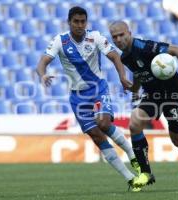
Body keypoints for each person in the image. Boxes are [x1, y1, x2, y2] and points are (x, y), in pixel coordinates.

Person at [36, 7, 144, 192]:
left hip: (98, 89)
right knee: (96, 135)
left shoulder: (95, 37)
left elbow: (115, 56)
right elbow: (42, 62)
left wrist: (121, 76)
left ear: (86, 22)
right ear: (69, 22)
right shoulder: (60, 41)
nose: (79, 25)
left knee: (103, 122)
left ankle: (131, 153)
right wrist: (43, 75)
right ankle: (129, 178)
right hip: (77, 96)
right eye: (76, 21)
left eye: (82, 21)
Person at [109, 21, 178, 187]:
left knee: (177, 138)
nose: (118, 39)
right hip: (153, 96)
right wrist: (135, 90)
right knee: (134, 123)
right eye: (114, 37)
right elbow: (139, 71)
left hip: (175, 95)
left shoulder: (145, 47)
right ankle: (146, 172)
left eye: (121, 35)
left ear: (129, 33)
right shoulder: (125, 57)